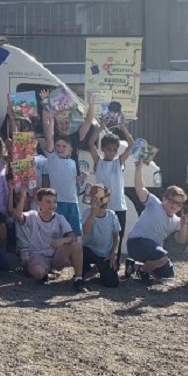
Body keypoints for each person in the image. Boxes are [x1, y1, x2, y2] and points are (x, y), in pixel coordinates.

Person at [13, 187, 88, 293]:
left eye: (54, 202)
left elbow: (73, 237)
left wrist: (63, 240)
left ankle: (78, 279)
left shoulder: (60, 218)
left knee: (76, 245)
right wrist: (23, 195)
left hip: (56, 255)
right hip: (38, 255)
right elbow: (19, 216)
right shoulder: (32, 215)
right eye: (48, 202)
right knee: (38, 273)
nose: (52, 205)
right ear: (39, 202)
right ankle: (42, 273)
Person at [125, 162, 188, 284]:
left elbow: (182, 240)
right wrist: (139, 168)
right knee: (162, 256)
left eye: (178, 204)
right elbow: (140, 188)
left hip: (152, 249)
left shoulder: (176, 221)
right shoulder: (154, 203)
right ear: (164, 198)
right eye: (172, 201)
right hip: (136, 242)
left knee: (168, 274)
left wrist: (184, 225)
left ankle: (134, 267)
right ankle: (144, 269)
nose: (174, 205)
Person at [88, 119, 134, 265]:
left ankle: (114, 263)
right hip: (101, 208)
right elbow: (90, 143)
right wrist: (100, 128)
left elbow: (131, 145)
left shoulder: (118, 162)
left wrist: (124, 130)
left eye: (114, 149)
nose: (111, 152)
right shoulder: (98, 161)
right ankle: (99, 262)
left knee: (117, 237)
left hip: (119, 206)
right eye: (108, 149)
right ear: (103, 149)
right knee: (101, 236)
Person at [43, 110, 82, 236]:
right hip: (58, 202)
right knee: (58, 234)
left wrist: (83, 178)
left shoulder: (72, 162)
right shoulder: (52, 158)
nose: (60, 149)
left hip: (73, 202)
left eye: (63, 146)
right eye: (58, 146)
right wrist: (52, 118)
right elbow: (49, 136)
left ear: (70, 149)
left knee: (73, 235)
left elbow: (74, 181)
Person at [81, 184, 121, 288]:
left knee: (112, 283)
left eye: (104, 198)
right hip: (88, 251)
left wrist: (114, 253)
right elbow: (85, 231)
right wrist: (93, 213)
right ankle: (85, 269)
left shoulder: (111, 215)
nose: (103, 201)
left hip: (104, 254)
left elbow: (116, 236)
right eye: (99, 198)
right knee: (79, 250)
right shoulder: (87, 213)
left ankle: (99, 269)